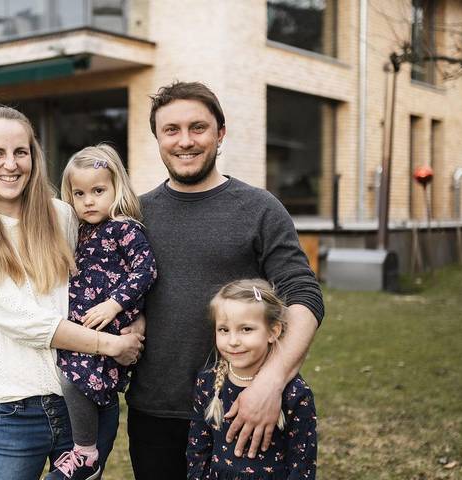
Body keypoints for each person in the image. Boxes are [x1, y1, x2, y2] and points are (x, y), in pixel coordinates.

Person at [124, 81, 325, 479]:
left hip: (240, 407)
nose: (185, 141)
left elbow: (305, 296)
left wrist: (269, 384)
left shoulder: (260, 209)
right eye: (171, 130)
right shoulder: (135, 215)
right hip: (154, 413)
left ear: (220, 133)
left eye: (198, 128)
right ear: (157, 138)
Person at [0, 106, 145, 480]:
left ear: (34, 157)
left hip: (84, 401)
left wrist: (135, 319)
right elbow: (23, 320)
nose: (11, 164)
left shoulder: (63, 216)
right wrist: (110, 346)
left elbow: (105, 277)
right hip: (14, 413)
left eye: (21, 152)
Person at [45, 144, 157, 480]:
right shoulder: (77, 232)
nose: (88, 201)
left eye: (98, 191)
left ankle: (85, 452)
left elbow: (146, 270)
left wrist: (116, 303)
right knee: (71, 378)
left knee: (72, 377)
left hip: (110, 325)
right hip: (85, 325)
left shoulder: (125, 228)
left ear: (116, 189)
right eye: (79, 193)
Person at [187, 279, 317, 479]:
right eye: (224, 329)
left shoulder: (294, 393)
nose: (233, 341)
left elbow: (302, 465)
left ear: (273, 331)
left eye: (246, 329)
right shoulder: (207, 383)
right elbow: (198, 451)